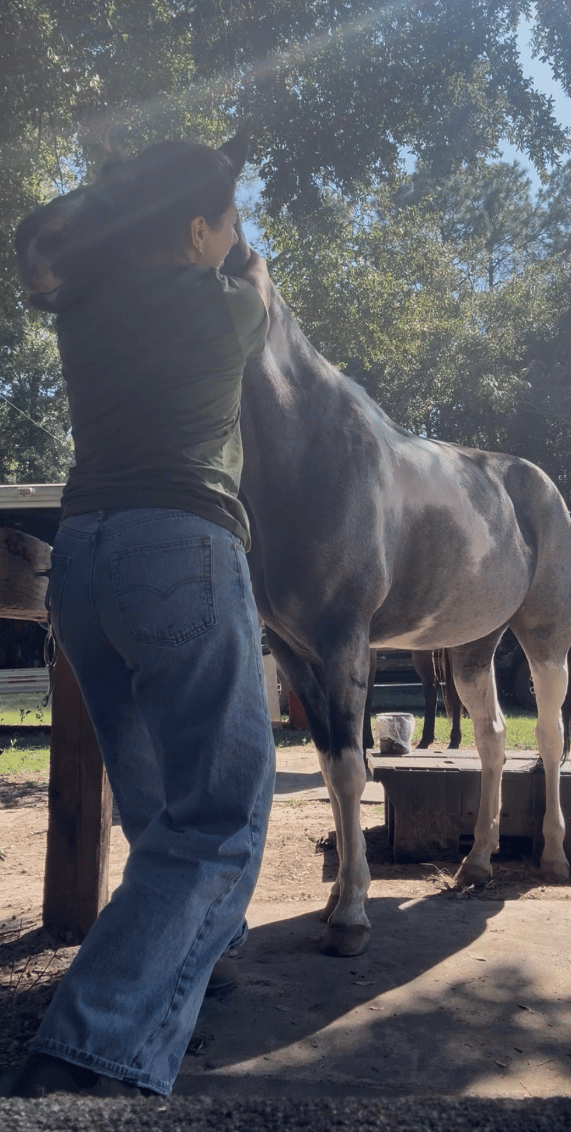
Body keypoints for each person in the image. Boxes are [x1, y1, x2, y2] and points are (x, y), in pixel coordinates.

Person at [7, 139, 275, 1098]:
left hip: (81, 558)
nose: (235, 240)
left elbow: (64, 238)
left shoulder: (83, 302)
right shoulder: (226, 303)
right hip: (181, 545)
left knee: (158, 808)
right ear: (199, 230)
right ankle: (83, 1065)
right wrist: (244, 252)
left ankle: (165, 1005)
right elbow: (262, 286)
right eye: (227, 224)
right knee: (221, 819)